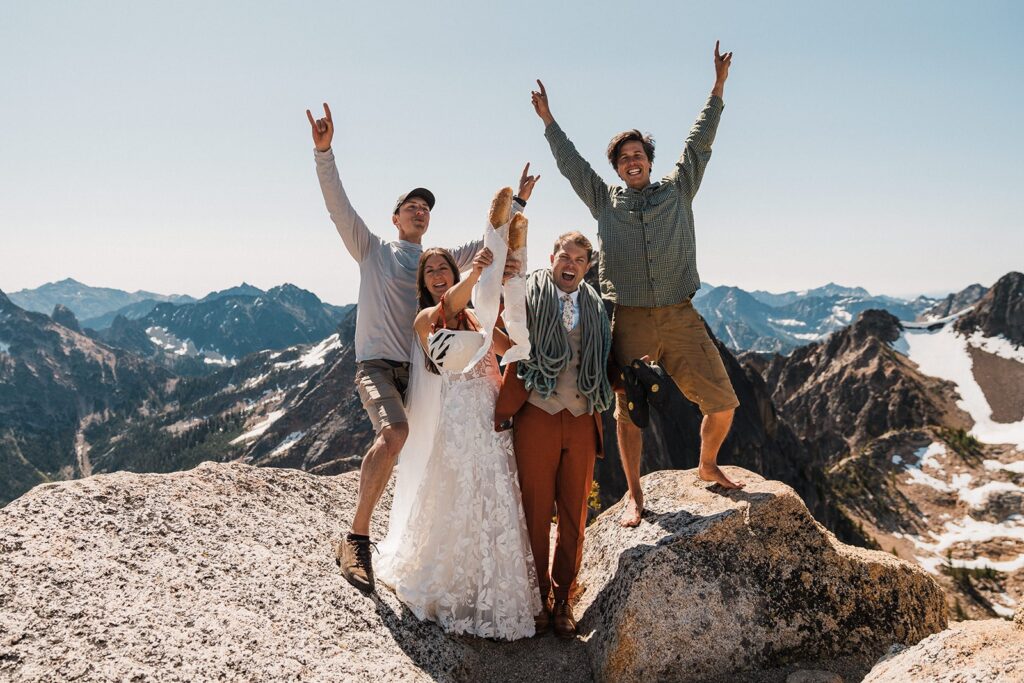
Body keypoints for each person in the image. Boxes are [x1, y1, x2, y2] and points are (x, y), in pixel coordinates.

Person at [305, 102, 537, 591]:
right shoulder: (371, 249)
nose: (420, 210)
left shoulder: (439, 260)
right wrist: (324, 152)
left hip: (424, 370)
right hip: (379, 366)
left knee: (434, 453)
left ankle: (432, 545)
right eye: (411, 205)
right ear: (394, 218)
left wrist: (517, 204)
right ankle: (357, 538)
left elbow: (488, 247)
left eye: (426, 206)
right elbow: (337, 206)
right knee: (393, 437)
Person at [530, 42, 743, 529]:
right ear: (618, 166)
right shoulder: (605, 201)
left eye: (638, 154)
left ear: (649, 158)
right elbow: (572, 166)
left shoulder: (679, 188)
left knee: (724, 403)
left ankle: (707, 464)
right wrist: (548, 122)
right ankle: (635, 495)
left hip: (680, 314)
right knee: (630, 414)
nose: (633, 161)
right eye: (624, 157)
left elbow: (700, 143)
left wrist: (717, 88)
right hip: (628, 320)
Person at [375, 245, 539, 641]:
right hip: (460, 418)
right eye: (429, 270)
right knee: (457, 496)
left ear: (451, 270)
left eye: (442, 267)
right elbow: (447, 308)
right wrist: (480, 275)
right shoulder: (426, 318)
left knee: (496, 494)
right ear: (424, 282)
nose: (436, 274)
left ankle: (497, 587)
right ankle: (456, 587)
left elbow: (509, 349)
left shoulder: (477, 316)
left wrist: (508, 290)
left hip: (492, 412)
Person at [494, 232, 614, 639]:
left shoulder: (596, 306)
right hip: (536, 413)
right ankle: (536, 597)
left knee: (574, 514)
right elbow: (494, 324)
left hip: (582, 416)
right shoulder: (528, 292)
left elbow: (604, 358)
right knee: (534, 510)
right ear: (552, 257)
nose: (571, 264)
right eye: (565, 255)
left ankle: (563, 598)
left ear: (587, 267)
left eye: (580, 259)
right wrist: (515, 351)